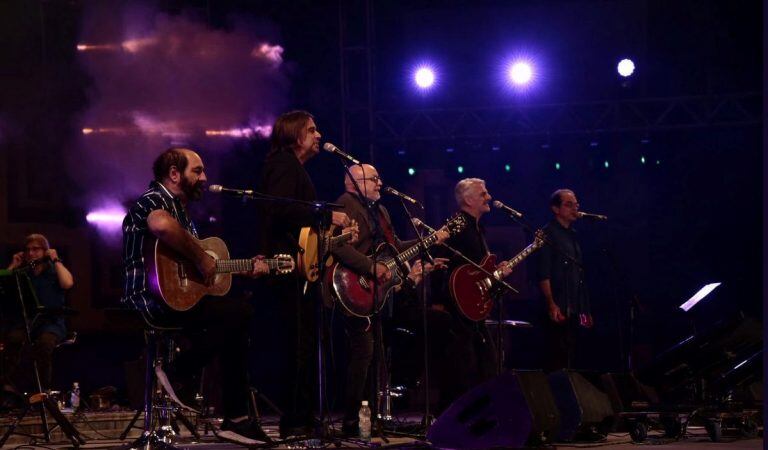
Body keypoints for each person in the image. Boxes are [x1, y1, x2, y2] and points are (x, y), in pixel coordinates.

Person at [121, 147, 272, 443]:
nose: (205, 177)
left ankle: (236, 417)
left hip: (176, 300)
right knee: (237, 314)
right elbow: (160, 226)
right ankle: (179, 372)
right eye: (198, 171)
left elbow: (200, 269)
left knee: (237, 316)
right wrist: (202, 259)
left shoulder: (183, 213)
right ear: (174, 174)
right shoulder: (155, 199)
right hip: (148, 299)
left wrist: (240, 268)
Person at [329, 163, 447, 435]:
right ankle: (351, 419)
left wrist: (429, 240)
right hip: (352, 285)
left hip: (376, 292)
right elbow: (337, 246)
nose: (380, 183)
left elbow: (393, 251)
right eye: (373, 179)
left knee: (375, 354)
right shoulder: (344, 204)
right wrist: (370, 267)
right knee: (363, 353)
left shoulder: (379, 211)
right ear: (354, 182)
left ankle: (368, 419)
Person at [258, 110, 350, 438]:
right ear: (296, 134)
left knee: (306, 343)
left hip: (299, 266)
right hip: (288, 268)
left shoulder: (292, 167)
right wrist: (326, 214)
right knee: (298, 344)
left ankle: (306, 417)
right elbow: (279, 208)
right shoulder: (283, 164)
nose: (319, 135)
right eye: (312, 130)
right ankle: (297, 421)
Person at [430, 178, 509, 412]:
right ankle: (451, 415)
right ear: (468, 199)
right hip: (455, 305)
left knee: (485, 361)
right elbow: (438, 261)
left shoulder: (477, 228)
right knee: (462, 365)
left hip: (472, 305)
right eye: (483, 193)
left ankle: (479, 413)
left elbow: (475, 269)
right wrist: (437, 300)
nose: (488, 197)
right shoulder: (456, 225)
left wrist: (495, 272)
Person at [4, 234, 74, 391]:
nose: (30, 253)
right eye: (27, 250)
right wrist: (13, 265)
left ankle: (43, 392)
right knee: (13, 339)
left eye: (36, 249)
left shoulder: (54, 270)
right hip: (29, 323)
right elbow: (4, 284)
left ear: (45, 251)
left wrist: (56, 259)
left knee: (44, 343)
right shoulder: (23, 273)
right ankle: (8, 386)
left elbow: (68, 283)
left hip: (51, 323)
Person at [536, 188, 592, 371]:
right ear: (555, 208)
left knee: (572, 356)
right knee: (556, 357)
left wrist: (584, 309)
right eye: (569, 205)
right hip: (558, 305)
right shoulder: (547, 233)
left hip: (574, 306)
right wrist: (551, 303)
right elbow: (543, 272)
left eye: (576, 204)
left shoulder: (573, 235)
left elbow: (579, 274)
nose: (574, 208)